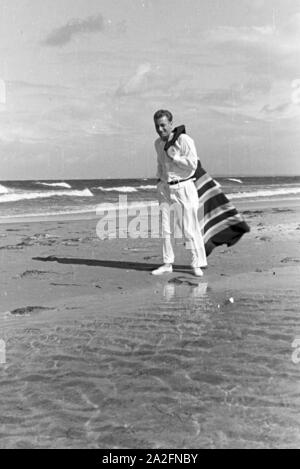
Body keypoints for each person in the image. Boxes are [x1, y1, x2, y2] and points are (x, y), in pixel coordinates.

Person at [151, 109, 207, 277]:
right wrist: (159, 182)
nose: (160, 130)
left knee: (189, 227)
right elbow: (160, 164)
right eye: (157, 127)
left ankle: (196, 262)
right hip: (165, 188)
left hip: (184, 187)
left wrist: (175, 157)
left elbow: (193, 165)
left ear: (171, 124)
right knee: (165, 228)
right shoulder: (157, 143)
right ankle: (168, 263)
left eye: (163, 125)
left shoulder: (184, 140)